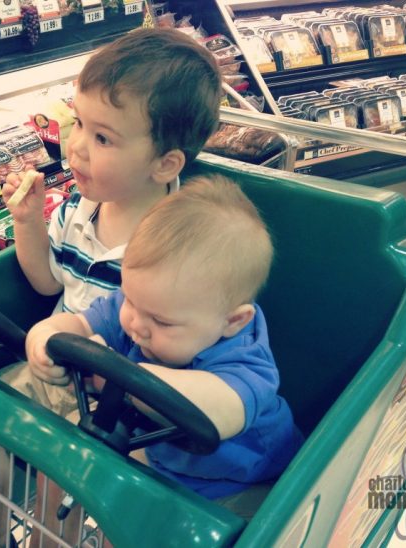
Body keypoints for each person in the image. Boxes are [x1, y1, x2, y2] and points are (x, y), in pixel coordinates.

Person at [24, 175, 304, 544]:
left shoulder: (244, 358)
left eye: (161, 321)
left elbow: (220, 408)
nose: (136, 325)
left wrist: (122, 377)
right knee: (75, 473)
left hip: (239, 488)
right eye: (129, 299)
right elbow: (78, 322)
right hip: (157, 464)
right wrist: (44, 337)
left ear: (232, 321)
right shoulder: (143, 307)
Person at [0, 26, 222, 414]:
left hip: (115, 402)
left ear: (164, 164)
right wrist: (27, 220)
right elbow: (49, 283)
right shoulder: (79, 208)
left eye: (103, 138)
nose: (77, 147)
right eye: (79, 123)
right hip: (56, 368)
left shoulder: (179, 247)